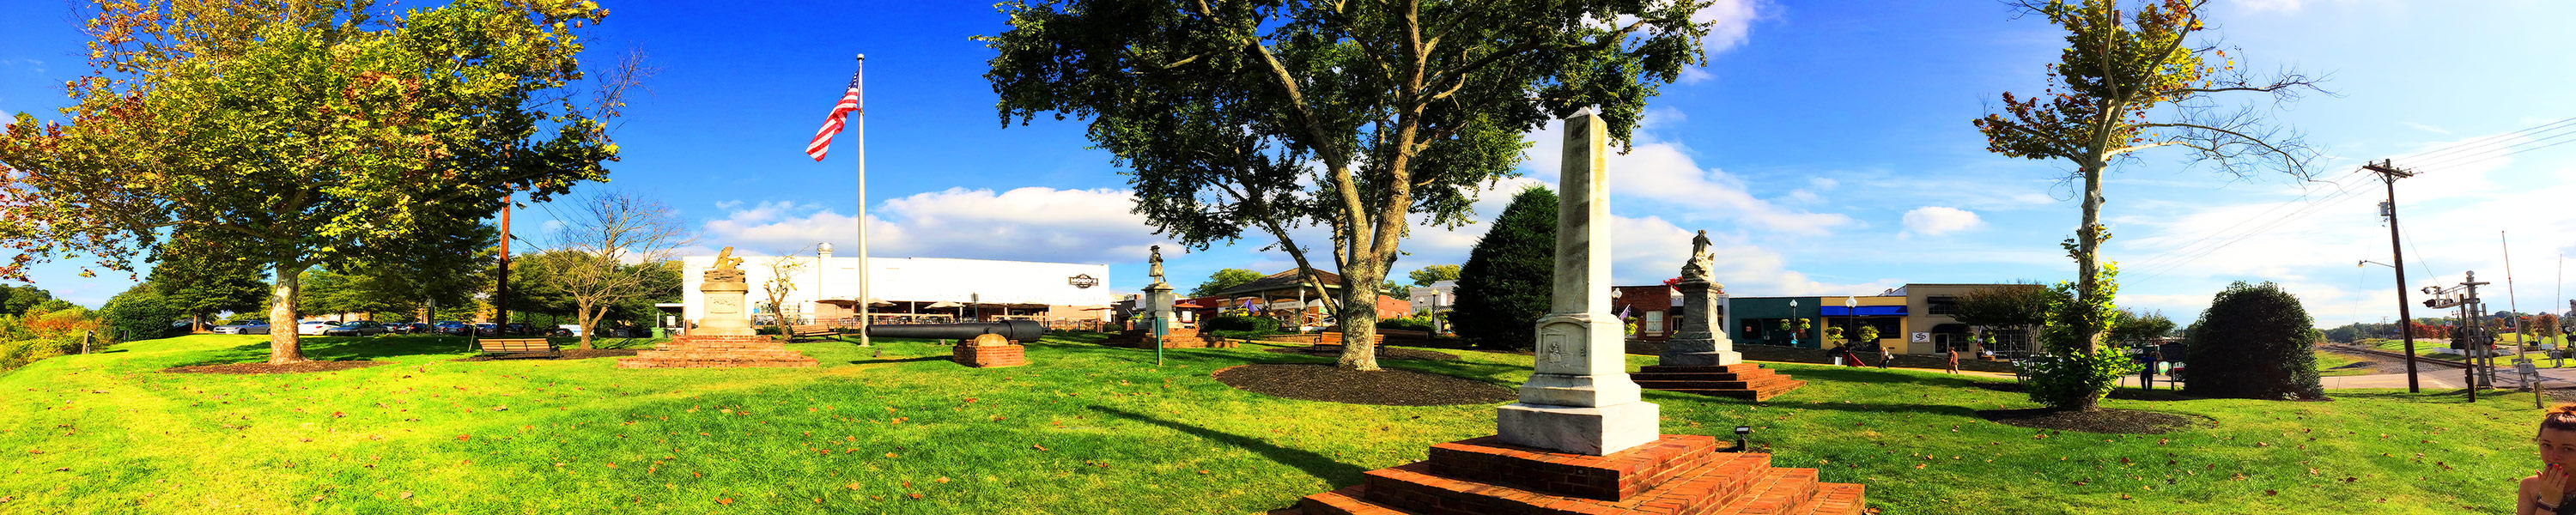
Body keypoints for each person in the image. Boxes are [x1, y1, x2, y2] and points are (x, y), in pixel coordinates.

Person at [2518, 403, 2576, 514]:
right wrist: (2548, 502)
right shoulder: (2530, 486)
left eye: (2567, 449)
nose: (2554, 456)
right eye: (2547, 445)